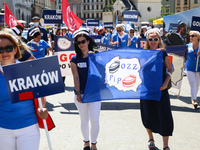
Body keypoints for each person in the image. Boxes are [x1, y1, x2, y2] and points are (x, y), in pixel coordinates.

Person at [0, 31, 48, 150]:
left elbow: (40, 95)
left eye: (8, 48)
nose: (4, 52)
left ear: (15, 50)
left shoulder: (29, 70)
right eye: (0, 49)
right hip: (2, 130)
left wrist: (42, 108)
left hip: (29, 128)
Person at [140, 29, 174, 150]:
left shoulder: (163, 53)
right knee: (147, 115)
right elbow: (140, 69)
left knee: (165, 115)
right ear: (147, 41)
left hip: (160, 89)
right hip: (146, 90)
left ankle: (166, 145)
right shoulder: (143, 53)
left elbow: (170, 69)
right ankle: (151, 138)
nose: (153, 41)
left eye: (155, 39)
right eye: (150, 39)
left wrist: (166, 82)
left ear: (159, 40)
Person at [70, 28, 101, 150]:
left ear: (88, 41)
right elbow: (75, 77)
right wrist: (78, 93)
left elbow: (101, 73)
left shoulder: (96, 56)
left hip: (94, 93)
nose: (81, 44)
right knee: (84, 119)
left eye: (83, 41)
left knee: (94, 120)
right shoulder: (74, 58)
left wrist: (95, 60)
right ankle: (86, 142)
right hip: (80, 93)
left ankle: (94, 143)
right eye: (78, 42)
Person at [185, 30, 200, 109]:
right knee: (192, 83)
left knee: (197, 85)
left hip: (199, 68)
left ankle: (193, 97)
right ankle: (194, 99)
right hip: (189, 67)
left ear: (197, 37)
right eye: (190, 36)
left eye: (193, 36)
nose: (191, 37)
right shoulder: (187, 46)